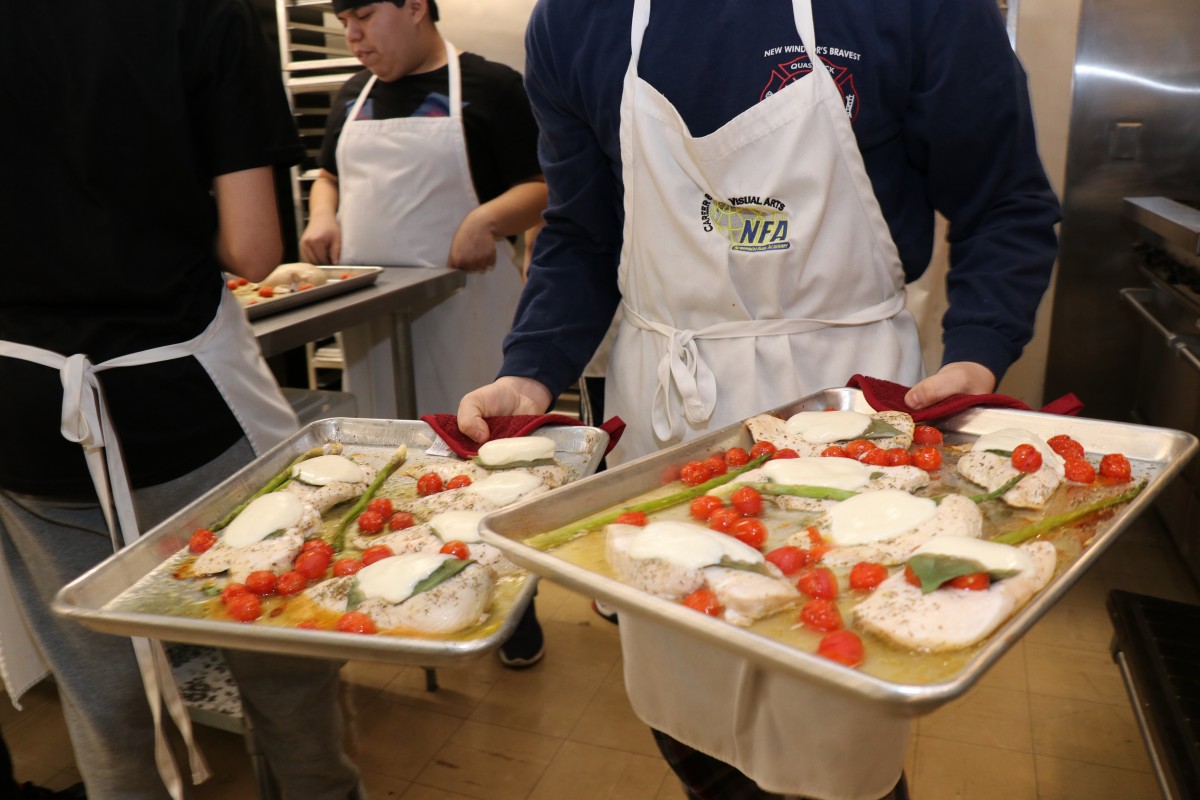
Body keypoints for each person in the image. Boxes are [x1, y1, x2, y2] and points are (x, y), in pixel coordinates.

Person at [457, 0, 1061, 797]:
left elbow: (1005, 199)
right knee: (691, 716)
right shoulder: (574, 19)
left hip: (845, 414)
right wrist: (530, 369)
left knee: (829, 731)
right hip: (671, 414)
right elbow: (583, 230)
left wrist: (980, 352)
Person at [0, 2, 362, 798]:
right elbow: (255, 248)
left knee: (105, 699)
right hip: (182, 403)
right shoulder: (205, 14)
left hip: (22, 411)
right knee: (283, 664)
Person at [299, 0, 550, 668]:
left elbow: (543, 183)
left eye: (363, 16)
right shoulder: (355, 93)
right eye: (341, 21)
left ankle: (512, 612)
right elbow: (329, 175)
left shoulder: (491, 86)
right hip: (372, 320)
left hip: (465, 312)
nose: (350, 35)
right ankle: (396, 592)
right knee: (392, 473)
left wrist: (488, 218)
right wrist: (322, 214)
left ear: (414, 7)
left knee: (482, 472)